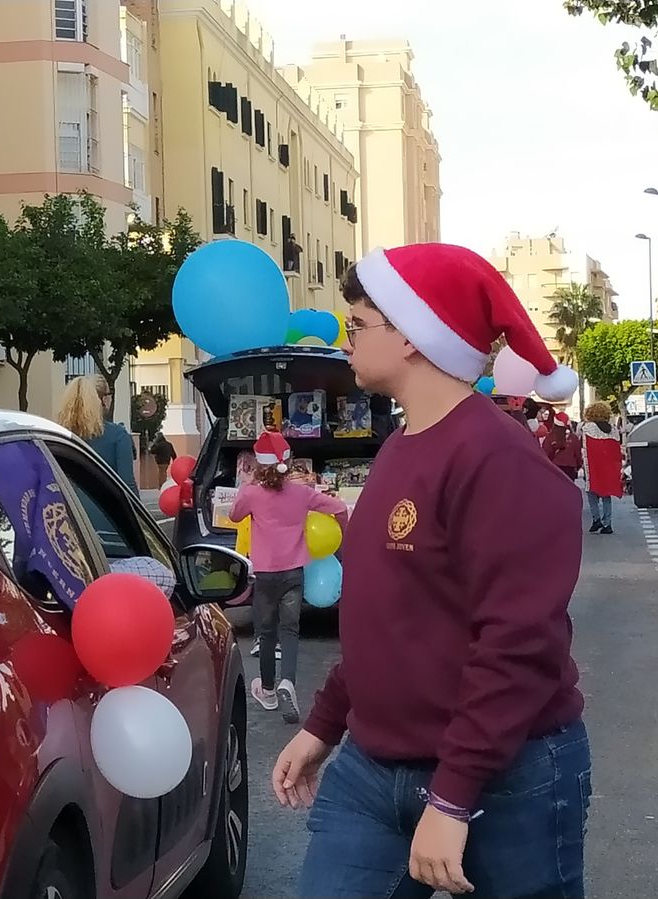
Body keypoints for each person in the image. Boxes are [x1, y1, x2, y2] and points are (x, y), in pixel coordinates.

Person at [273, 243, 588, 898]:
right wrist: (324, 724)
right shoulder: (401, 446)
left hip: (507, 777)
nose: (347, 338)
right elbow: (388, 619)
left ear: (413, 336)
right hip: (374, 768)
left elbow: (518, 644)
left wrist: (452, 799)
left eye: (359, 323)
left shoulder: (497, 458)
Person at [228, 430, 349, 722]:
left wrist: (249, 488)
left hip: (266, 576)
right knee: (290, 631)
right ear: (289, 461)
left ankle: (267, 689)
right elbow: (340, 508)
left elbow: (233, 516)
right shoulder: (302, 493)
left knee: (266, 632)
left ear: (258, 463)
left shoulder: (252, 493)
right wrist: (345, 533)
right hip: (294, 573)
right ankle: (288, 682)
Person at [56, 376, 136, 489]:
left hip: (67, 505)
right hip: (104, 505)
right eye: (109, 394)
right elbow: (128, 484)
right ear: (103, 399)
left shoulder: (59, 435)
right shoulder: (118, 435)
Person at [580, 401, 625, 534]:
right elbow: (616, 450)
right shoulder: (613, 430)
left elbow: (585, 448)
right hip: (609, 467)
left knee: (591, 492)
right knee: (606, 494)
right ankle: (608, 524)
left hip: (593, 466)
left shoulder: (587, 428)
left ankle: (596, 519)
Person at [543, 411, 582, 481]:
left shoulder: (550, 437)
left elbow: (546, 453)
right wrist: (578, 466)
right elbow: (578, 454)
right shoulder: (573, 437)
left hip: (555, 467)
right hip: (570, 469)